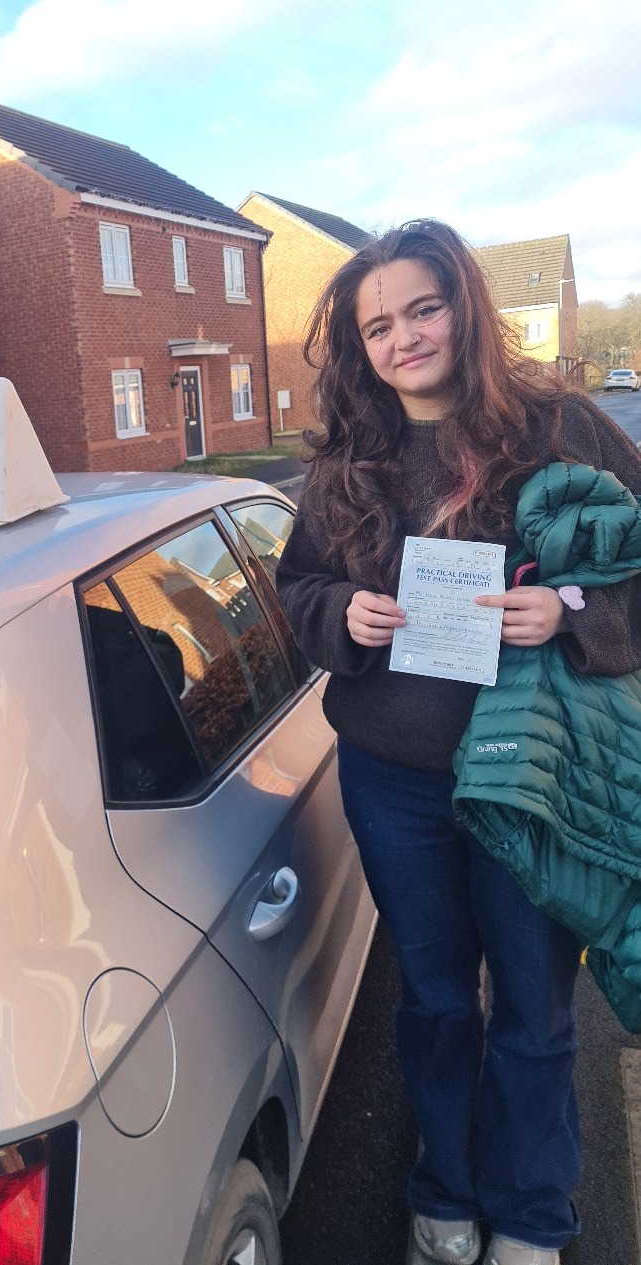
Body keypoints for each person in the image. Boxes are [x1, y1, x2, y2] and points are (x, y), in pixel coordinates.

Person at [274, 218, 641, 1265]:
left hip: (532, 775)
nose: (404, 337)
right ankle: (445, 1186)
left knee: (533, 1005)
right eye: (378, 325)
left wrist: (571, 610)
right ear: (362, 347)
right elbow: (295, 587)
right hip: (395, 784)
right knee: (435, 1002)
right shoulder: (348, 462)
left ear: (463, 308)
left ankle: (531, 1209)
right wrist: (340, 611)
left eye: (423, 308)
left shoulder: (562, 428)